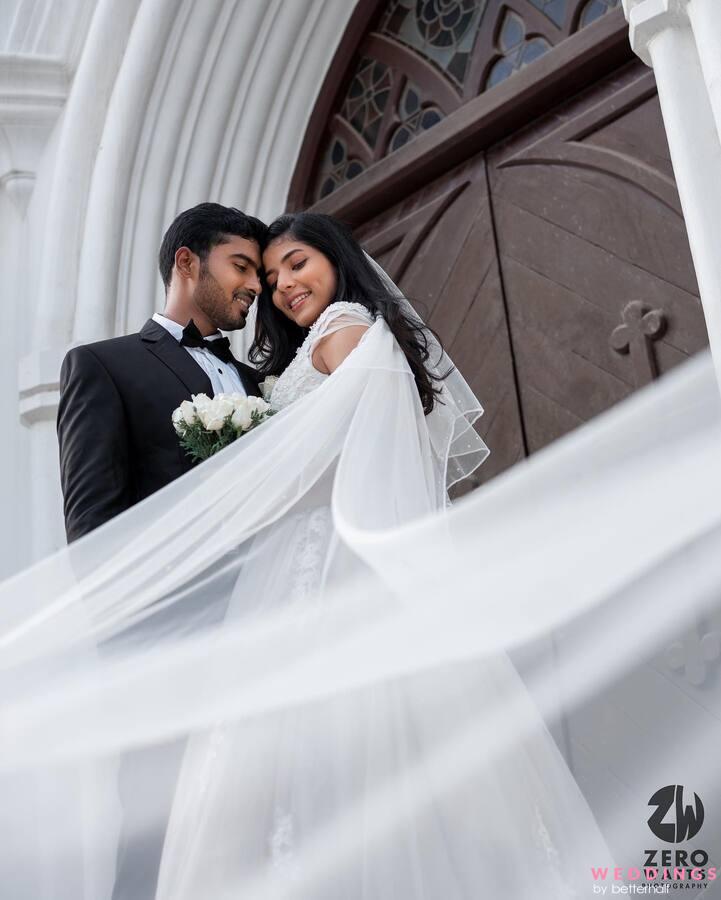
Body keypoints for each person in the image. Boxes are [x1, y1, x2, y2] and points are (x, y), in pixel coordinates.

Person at [150, 213, 607, 898]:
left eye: (296, 264)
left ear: (334, 259)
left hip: (332, 558)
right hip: (294, 556)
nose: (282, 287)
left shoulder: (343, 331)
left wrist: (254, 468)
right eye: (270, 278)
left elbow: (365, 446)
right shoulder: (314, 346)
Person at [57, 202, 266, 543]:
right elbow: (91, 530)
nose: (256, 286)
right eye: (241, 267)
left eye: (258, 274)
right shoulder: (103, 366)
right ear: (186, 263)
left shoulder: (257, 382)